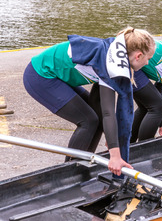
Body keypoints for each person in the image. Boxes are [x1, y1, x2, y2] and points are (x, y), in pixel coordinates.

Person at [23, 27, 155, 176]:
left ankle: (82, 167)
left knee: (96, 119)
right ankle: (68, 174)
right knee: (88, 120)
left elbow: (99, 105)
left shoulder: (114, 54)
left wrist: (113, 141)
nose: (147, 63)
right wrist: (115, 155)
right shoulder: (110, 63)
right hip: (40, 75)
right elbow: (108, 112)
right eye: (148, 59)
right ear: (138, 56)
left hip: (57, 75)